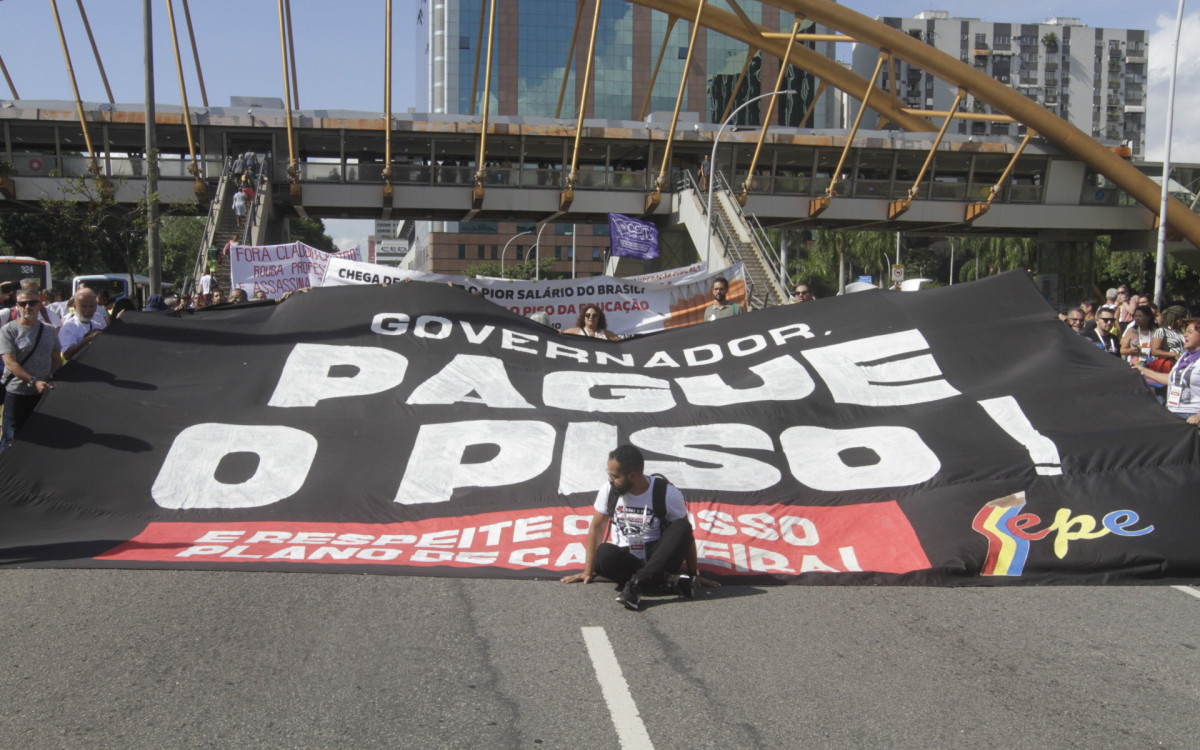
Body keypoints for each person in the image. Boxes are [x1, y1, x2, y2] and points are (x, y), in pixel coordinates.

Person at [561, 444, 716, 610]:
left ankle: (637, 583)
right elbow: (597, 528)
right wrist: (588, 571)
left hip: (658, 555)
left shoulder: (668, 494)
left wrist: (694, 573)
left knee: (682, 526)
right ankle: (670, 581)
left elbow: (686, 536)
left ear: (633, 476)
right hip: (625, 556)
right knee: (603, 554)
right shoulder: (609, 490)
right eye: (609, 475)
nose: (609, 480)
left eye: (614, 476)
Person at [0, 288, 61, 451]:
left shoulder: (49, 330)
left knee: (40, 439)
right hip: (17, 394)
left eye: (32, 303)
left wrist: (52, 374)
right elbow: (10, 363)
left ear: (40, 304)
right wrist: (33, 381)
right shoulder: (9, 330)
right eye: (23, 303)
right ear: (17, 306)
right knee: (11, 439)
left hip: (42, 395)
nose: (28, 307)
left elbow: (56, 358)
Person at [1136, 318, 1200, 424]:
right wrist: (1145, 371)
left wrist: (1198, 417)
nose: (1185, 335)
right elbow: (1172, 379)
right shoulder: (1185, 356)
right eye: (1185, 332)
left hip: (1192, 416)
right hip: (1173, 412)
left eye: (1190, 332)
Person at [58, 288, 107, 361]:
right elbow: (67, 355)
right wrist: (88, 339)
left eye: (91, 307)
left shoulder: (99, 325)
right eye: (83, 307)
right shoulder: (69, 326)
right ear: (75, 307)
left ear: (95, 307)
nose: (87, 311)